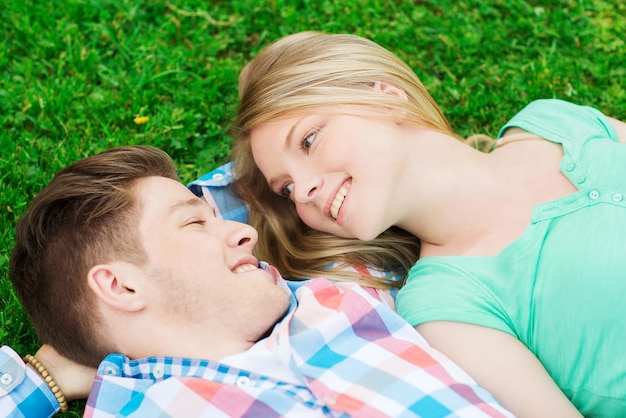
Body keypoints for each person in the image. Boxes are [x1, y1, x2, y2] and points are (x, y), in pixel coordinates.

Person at [230, 31, 626, 417]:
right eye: (286, 189)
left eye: (308, 141)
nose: (302, 193)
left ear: (385, 97)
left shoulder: (553, 124)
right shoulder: (446, 307)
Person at [2, 145, 511, 417]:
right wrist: (42, 378)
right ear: (120, 287)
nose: (245, 232)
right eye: (194, 222)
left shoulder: (340, 294)